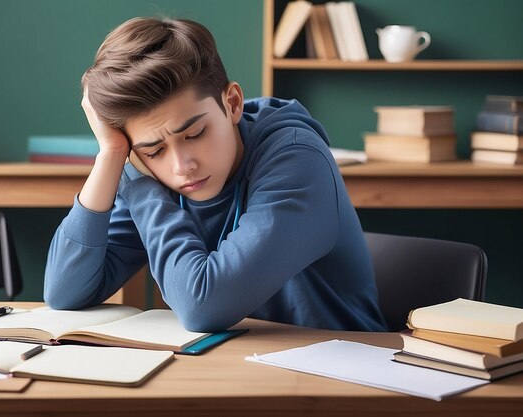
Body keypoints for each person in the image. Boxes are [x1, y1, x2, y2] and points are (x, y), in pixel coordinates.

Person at [44, 17, 387, 332]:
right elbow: (64, 292)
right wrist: (112, 154)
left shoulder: (297, 160)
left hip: (340, 377)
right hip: (238, 370)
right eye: (154, 151)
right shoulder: (147, 169)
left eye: (194, 134)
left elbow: (202, 307)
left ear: (233, 103)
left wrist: (137, 182)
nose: (182, 166)